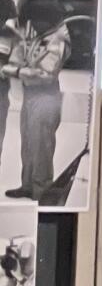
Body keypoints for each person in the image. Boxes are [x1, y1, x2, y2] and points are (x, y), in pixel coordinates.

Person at [3, 18, 70, 202]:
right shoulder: (36, 35)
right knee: (28, 143)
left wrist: (18, 71)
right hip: (30, 94)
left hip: (46, 96)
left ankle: (42, 192)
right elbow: (15, 59)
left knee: (42, 145)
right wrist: (21, 69)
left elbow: (45, 74)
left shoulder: (59, 39)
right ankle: (28, 186)